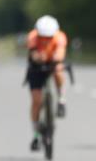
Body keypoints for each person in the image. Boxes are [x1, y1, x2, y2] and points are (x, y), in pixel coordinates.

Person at [25, 15, 68, 151]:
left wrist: (54, 58)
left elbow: (60, 54)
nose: (45, 39)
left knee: (58, 71)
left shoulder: (60, 37)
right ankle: (36, 134)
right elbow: (33, 54)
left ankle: (61, 98)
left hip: (52, 62)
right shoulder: (32, 37)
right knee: (36, 101)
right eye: (43, 36)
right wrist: (38, 57)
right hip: (36, 66)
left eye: (49, 37)